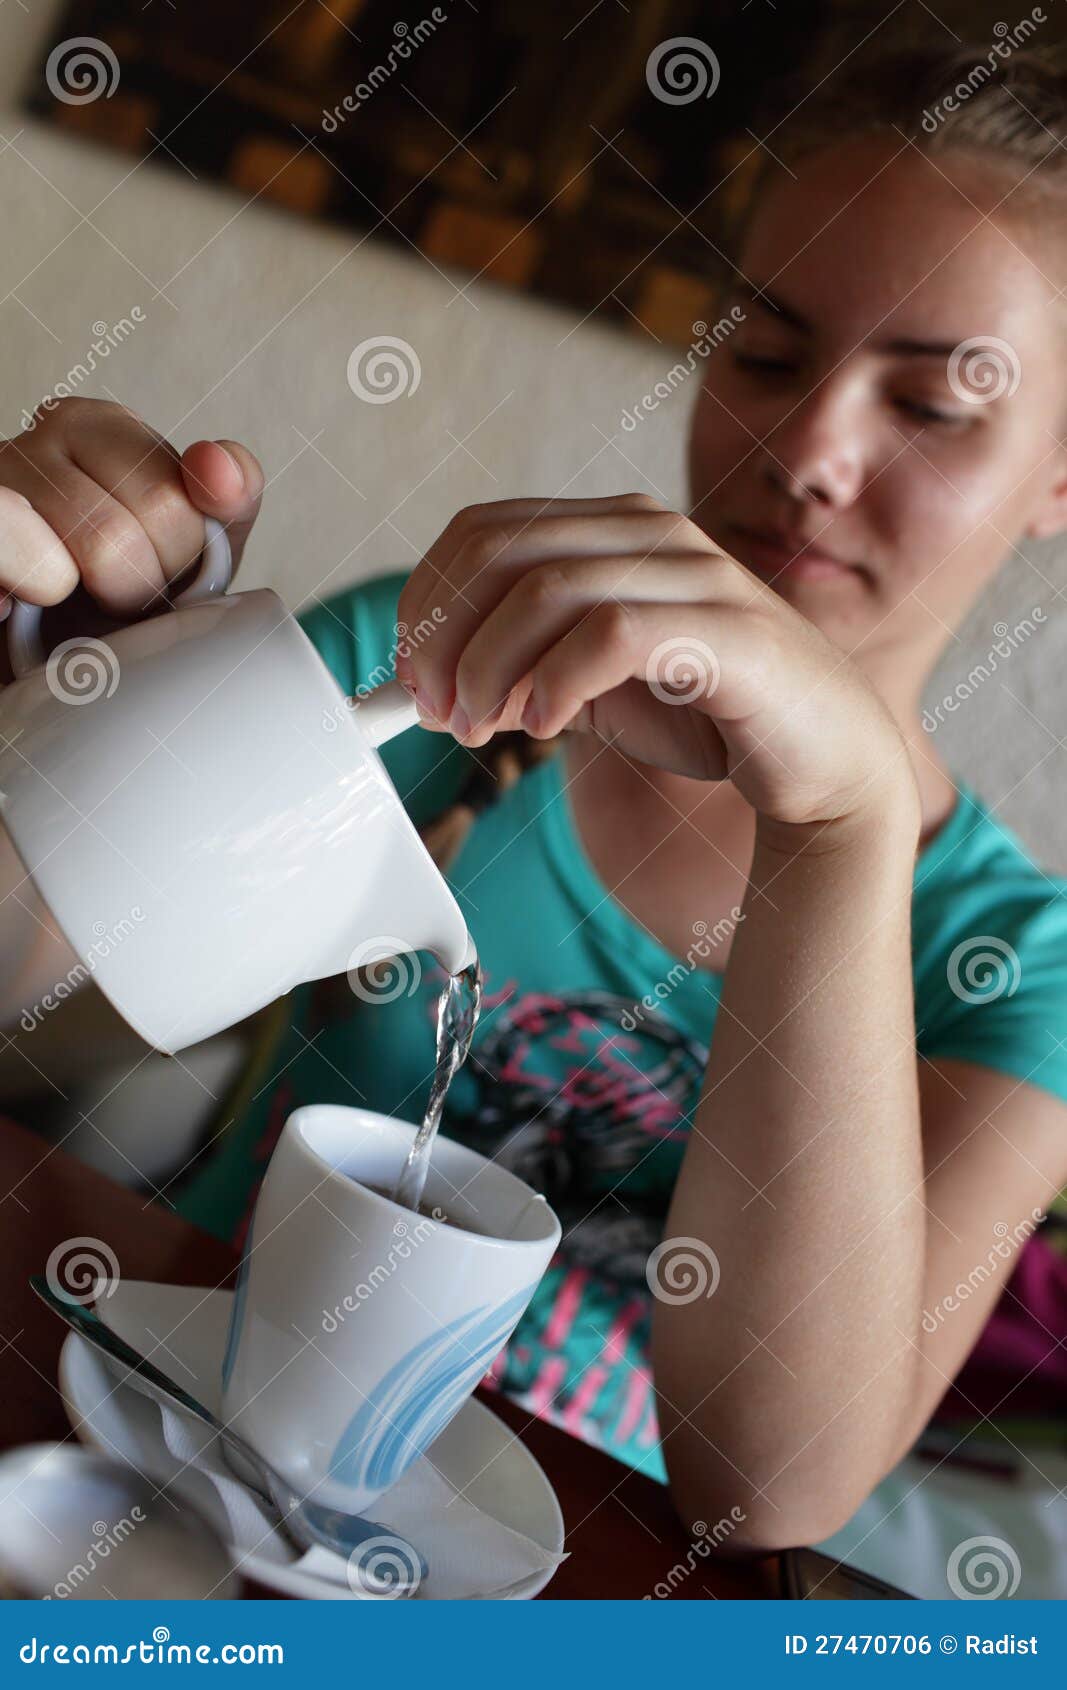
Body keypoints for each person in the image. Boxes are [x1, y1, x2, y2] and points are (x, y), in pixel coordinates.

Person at [2, 38, 1067, 1553]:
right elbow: (27, 963)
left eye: (939, 403)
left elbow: (765, 1484)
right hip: (158, 1474)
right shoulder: (449, 666)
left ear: (1058, 471)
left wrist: (842, 829)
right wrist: (57, 715)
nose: (811, 451)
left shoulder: (1018, 967)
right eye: (765, 353)